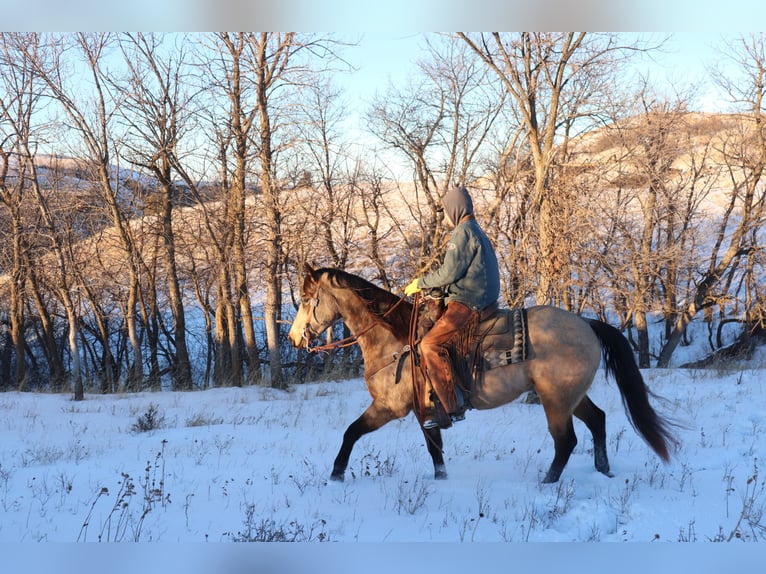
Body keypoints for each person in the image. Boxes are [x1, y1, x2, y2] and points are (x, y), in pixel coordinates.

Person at [404, 185, 500, 429]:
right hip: (477, 296)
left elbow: (449, 272)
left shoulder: (463, 233)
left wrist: (420, 283)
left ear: (455, 209)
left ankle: (452, 406)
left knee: (429, 344)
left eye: (446, 211)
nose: (445, 217)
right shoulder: (475, 230)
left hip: (469, 302)